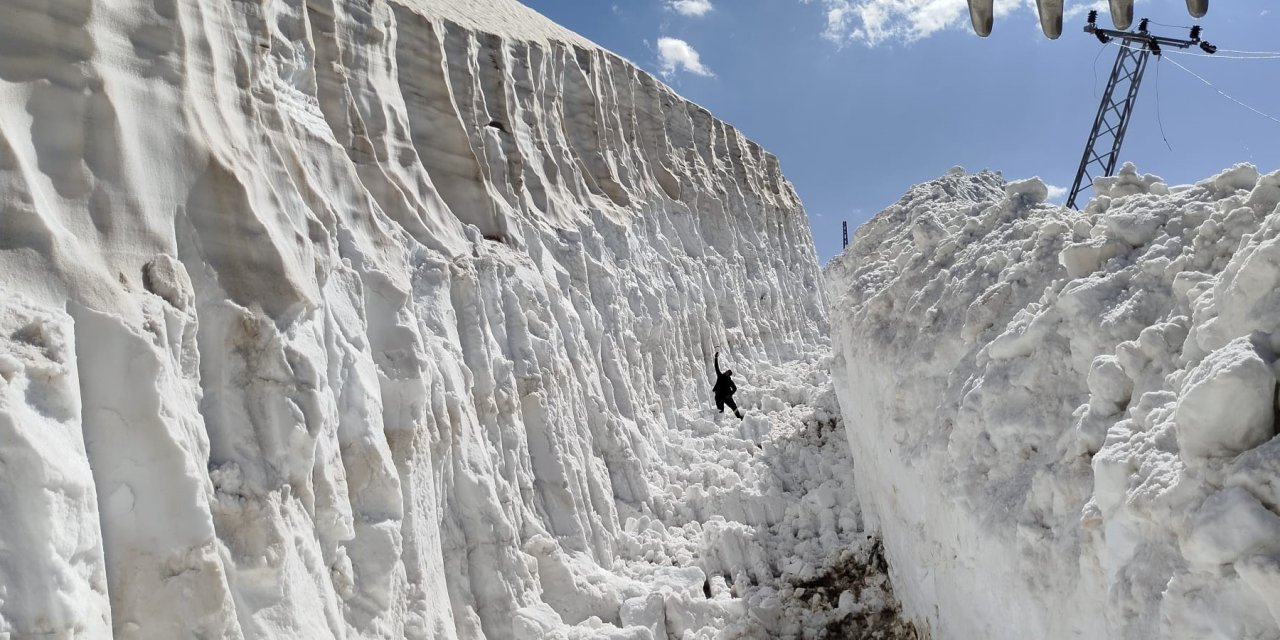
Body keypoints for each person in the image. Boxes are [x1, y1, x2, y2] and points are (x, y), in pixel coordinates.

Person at [713, 351, 743, 419]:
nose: (726, 371)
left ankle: (739, 417)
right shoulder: (720, 376)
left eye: (728, 372)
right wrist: (716, 358)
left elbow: (735, 388)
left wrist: (730, 395)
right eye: (727, 371)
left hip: (726, 397)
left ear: (729, 374)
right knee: (720, 410)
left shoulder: (729, 381)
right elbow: (716, 367)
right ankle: (720, 422)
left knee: (734, 407)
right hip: (719, 396)